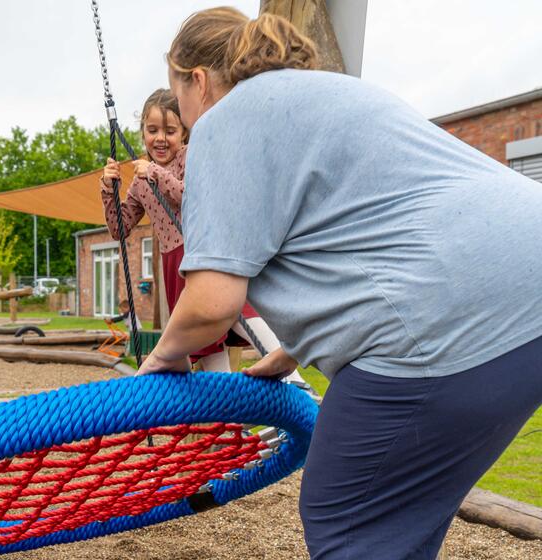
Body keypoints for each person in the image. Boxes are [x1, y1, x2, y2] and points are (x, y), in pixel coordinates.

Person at [138, 7, 542, 559]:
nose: (182, 117)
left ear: (198, 81)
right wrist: (292, 351)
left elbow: (212, 302)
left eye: (176, 95)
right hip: (525, 293)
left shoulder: (224, 120)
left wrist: (162, 358)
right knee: (402, 518)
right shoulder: (326, 92)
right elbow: (349, 236)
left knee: (346, 516)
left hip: (444, 318)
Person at [101, 89, 306, 382]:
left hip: (205, 249)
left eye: (170, 131)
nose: (160, 138)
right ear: (142, 132)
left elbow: (191, 196)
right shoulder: (139, 181)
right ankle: (227, 419)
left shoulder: (191, 157)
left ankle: (294, 379)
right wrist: (109, 190)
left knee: (236, 312)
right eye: (152, 130)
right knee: (203, 342)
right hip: (175, 264)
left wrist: (156, 173)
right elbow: (118, 229)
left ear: (183, 132)